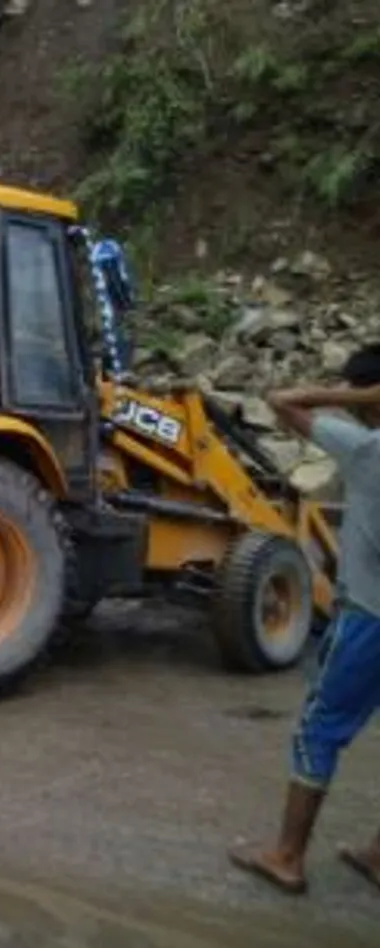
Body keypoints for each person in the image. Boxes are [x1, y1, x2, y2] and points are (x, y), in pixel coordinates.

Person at [228, 342, 380, 895]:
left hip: (370, 617)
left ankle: (287, 856)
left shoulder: (365, 447)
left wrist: (350, 396)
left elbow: (280, 400)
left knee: (319, 729)